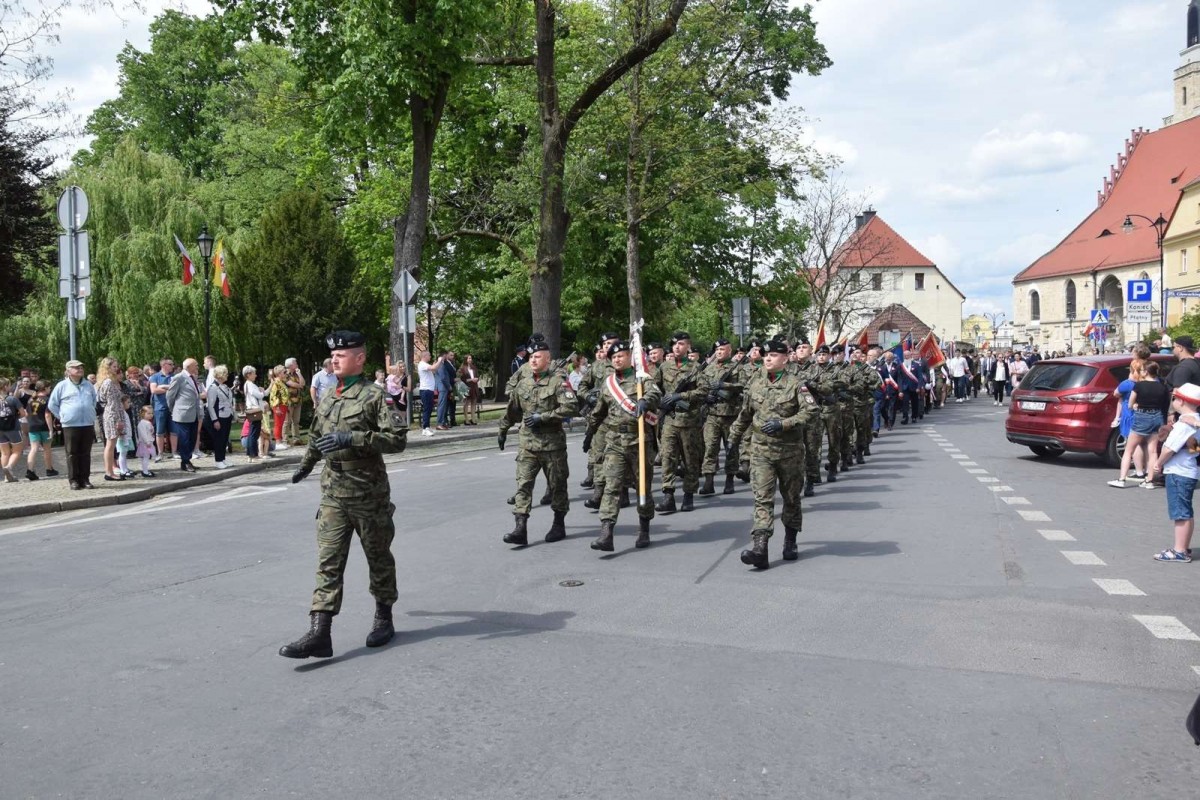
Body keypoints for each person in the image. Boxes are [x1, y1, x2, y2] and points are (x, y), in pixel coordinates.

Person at [282, 329, 408, 659]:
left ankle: (384, 617)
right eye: (333, 355)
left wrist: (353, 438)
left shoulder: (375, 395)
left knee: (378, 557)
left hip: (368, 493)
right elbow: (316, 436)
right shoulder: (329, 396)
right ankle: (319, 632)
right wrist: (306, 464)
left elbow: (397, 440)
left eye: (342, 354)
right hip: (333, 494)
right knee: (328, 562)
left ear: (360, 358)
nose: (334, 358)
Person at [727, 338, 819, 569]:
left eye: (774, 355)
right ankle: (760, 548)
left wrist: (784, 424)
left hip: (790, 452)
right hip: (761, 451)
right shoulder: (755, 382)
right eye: (765, 355)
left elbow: (811, 411)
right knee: (762, 499)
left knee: (791, 499)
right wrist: (733, 439)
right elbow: (745, 414)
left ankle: (790, 541)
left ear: (785, 359)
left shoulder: (797, 384)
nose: (768, 358)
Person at [583, 340, 662, 551]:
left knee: (642, 487)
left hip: (639, 443)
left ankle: (644, 528)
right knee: (612, 487)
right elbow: (599, 411)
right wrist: (590, 432)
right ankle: (606, 533)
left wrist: (645, 401)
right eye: (614, 357)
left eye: (621, 356)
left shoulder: (642, 378)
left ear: (630, 357)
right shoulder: (608, 384)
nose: (617, 359)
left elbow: (656, 393)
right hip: (615, 443)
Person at [497, 341, 578, 546]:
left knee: (557, 486)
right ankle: (520, 529)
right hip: (528, 444)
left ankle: (558, 524)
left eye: (538, 357)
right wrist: (503, 430)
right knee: (523, 485)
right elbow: (512, 410)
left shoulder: (558, 382)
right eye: (531, 357)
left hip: (552, 446)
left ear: (548, 359)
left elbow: (571, 407)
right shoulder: (523, 383)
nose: (533, 360)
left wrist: (544, 417)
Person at [653, 331, 711, 514]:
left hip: (689, 422)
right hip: (669, 420)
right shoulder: (664, 367)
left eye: (681, 344)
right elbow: (654, 388)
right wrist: (660, 400)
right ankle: (668, 496)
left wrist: (681, 396)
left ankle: (688, 495)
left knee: (690, 460)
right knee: (668, 458)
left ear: (688, 347)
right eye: (674, 344)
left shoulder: (695, 368)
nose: (677, 347)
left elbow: (704, 391)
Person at [1151, 383, 1200, 562]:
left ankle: (1179, 551)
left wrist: (1158, 463)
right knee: (1185, 511)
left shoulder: (1184, 424)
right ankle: (1183, 548)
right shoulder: (1194, 420)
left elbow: (1169, 448)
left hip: (1179, 471)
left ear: (1181, 401)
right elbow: (1195, 448)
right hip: (1188, 470)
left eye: (1175, 398)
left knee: (1180, 512)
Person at [700, 338, 744, 496]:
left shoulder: (737, 368)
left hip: (730, 415)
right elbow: (701, 386)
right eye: (717, 350)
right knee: (710, 448)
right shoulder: (708, 369)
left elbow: (743, 386)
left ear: (729, 351)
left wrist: (725, 386)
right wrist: (706, 397)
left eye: (722, 350)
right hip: (712, 414)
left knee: (731, 448)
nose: (719, 352)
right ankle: (708, 482)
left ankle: (729, 480)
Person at [47, 359, 98, 489]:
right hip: (70, 425)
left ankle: (85, 479)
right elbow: (52, 405)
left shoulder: (88, 385)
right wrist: (63, 417)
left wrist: (90, 412)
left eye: (81, 367)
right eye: (76, 367)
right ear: (68, 371)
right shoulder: (62, 386)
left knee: (85, 453)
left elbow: (94, 401)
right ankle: (73, 480)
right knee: (72, 453)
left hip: (87, 423)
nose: (80, 369)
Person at [166, 357, 204, 472]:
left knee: (192, 438)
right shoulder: (179, 378)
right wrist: (174, 409)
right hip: (183, 414)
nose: (197, 367)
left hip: (193, 413)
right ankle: (185, 461)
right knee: (185, 439)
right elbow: (170, 396)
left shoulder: (193, 378)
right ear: (189, 367)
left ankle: (187, 460)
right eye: (195, 365)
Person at [95, 357, 129, 482]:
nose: (116, 369)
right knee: (110, 444)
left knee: (111, 444)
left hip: (112, 413)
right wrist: (118, 420)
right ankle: (109, 472)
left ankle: (110, 471)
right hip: (112, 415)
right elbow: (113, 403)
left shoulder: (106, 381)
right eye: (114, 367)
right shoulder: (108, 382)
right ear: (107, 367)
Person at [23, 380, 56, 480]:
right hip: (44, 427)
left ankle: (30, 470)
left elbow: (26, 413)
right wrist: (51, 429)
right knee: (47, 449)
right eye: (49, 388)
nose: (50, 390)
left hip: (32, 426)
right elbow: (47, 415)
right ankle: (49, 469)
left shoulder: (31, 399)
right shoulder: (47, 399)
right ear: (45, 388)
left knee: (33, 449)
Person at [206, 365, 235, 469]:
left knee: (224, 438)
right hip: (219, 416)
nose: (227, 375)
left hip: (227, 415)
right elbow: (210, 405)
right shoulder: (213, 388)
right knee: (219, 439)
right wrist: (215, 420)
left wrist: (233, 414)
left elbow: (229, 402)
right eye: (225, 373)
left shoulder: (225, 387)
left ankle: (223, 458)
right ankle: (218, 460)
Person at [148, 357, 176, 459]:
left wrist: (163, 387)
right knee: (160, 431)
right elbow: (154, 390)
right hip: (160, 407)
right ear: (164, 365)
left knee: (174, 431)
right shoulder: (155, 377)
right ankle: (160, 453)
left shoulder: (175, 376)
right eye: (171, 364)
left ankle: (174, 452)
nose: (173, 366)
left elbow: (177, 389)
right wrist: (169, 388)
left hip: (173, 407)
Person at [0, 378, 26, 482]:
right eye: (9, 385)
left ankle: (7, 477)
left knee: (4, 453)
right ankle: (9, 467)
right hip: (13, 428)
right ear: (5, 386)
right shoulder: (12, 399)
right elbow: (23, 413)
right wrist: (16, 418)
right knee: (17, 451)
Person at [242, 365, 268, 462]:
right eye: (254, 373)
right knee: (254, 433)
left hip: (252, 409)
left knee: (252, 433)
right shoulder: (250, 384)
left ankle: (250, 455)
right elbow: (260, 395)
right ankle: (253, 454)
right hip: (254, 410)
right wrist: (262, 391)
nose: (255, 375)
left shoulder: (248, 384)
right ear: (248, 374)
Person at [416, 350, 443, 436]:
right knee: (427, 409)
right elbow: (433, 368)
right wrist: (438, 361)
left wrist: (437, 363)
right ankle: (425, 428)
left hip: (429, 389)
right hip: (425, 390)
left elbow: (434, 370)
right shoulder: (422, 364)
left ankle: (427, 427)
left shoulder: (426, 365)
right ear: (424, 356)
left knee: (429, 409)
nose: (430, 357)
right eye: (429, 355)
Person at [283, 358, 306, 445]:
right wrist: (300, 386)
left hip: (298, 400)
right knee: (287, 421)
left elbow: (303, 383)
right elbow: (291, 384)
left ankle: (296, 439)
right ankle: (285, 439)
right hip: (289, 401)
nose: (297, 364)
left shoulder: (297, 374)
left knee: (296, 421)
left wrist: (299, 373)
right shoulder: (285, 373)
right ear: (290, 365)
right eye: (295, 363)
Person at [267, 365, 290, 450]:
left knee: (280, 423)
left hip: (283, 405)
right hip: (278, 406)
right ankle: (278, 442)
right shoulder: (276, 383)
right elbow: (273, 396)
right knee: (278, 424)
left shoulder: (281, 382)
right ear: (279, 374)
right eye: (284, 372)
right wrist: (276, 408)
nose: (286, 373)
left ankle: (280, 441)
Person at [435, 350, 456, 430]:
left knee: (443, 406)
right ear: (444, 355)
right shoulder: (440, 364)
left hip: (443, 387)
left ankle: (442, 422)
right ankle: (439, 423)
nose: (447, 357)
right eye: (446, 355)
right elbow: (443, 378)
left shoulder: (442, 364)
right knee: (441, 405)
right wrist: (449, 386)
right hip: (443, 387)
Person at [459, 354, 482, 425]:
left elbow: (477, 376)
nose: (470, 360)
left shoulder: (473, 367)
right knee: (466, 403)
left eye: (471, 358)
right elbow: (462, 379)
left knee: (474, 402)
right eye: (468, 358)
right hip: (467, 387)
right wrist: (471, 379)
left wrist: (476, 379)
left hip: (474, 386)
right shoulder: (462, 368)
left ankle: (473, 418)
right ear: (465, 359)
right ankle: (466, 419)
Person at [136, 405, 157, 477]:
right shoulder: (142, 423)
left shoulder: (147, 422)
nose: (151, 415)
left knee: (146, 457)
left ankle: (145, 470)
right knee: (145, 457)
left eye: (152, 413)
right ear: (143, 414)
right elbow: (143, 434)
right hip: (145, 443)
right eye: (148, 413)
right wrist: (147, 441)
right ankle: (145, 471)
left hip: (149, 442)